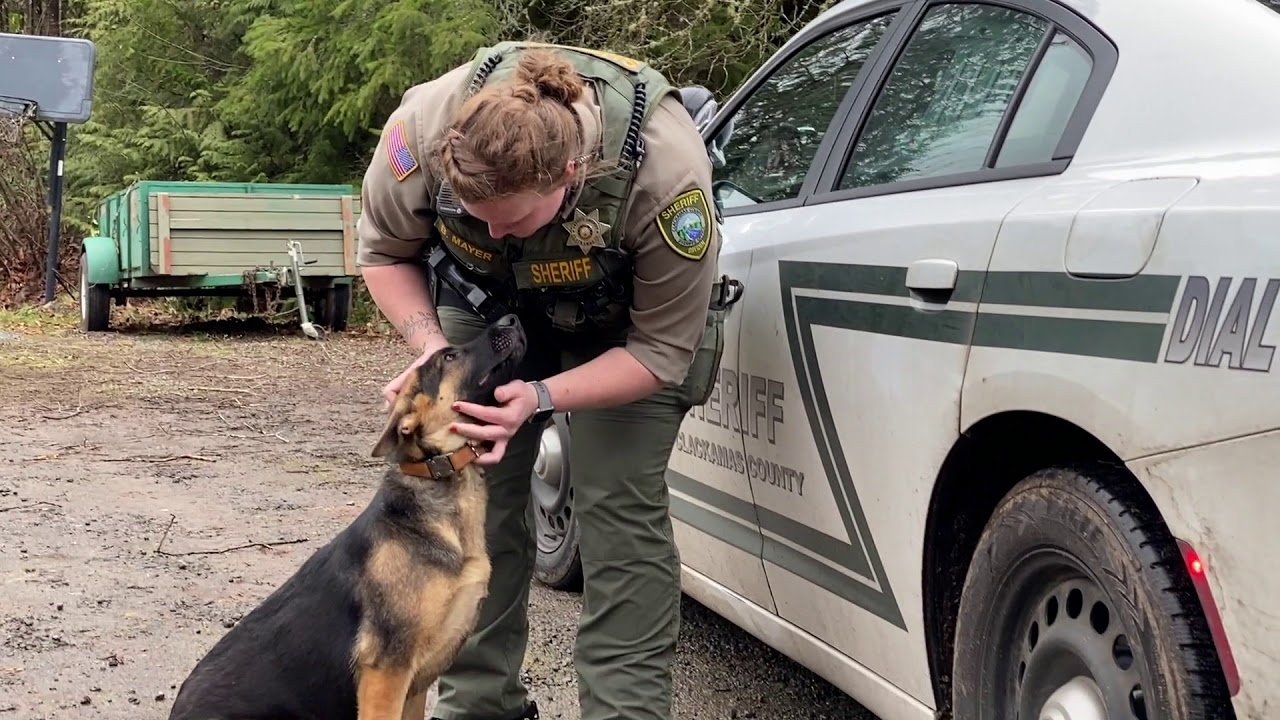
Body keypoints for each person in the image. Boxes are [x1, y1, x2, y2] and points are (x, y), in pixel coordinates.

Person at [354, 40, 739, 720]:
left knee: (619, 514)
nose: (498, 230)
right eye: (479, 217)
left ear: (572, 171)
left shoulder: (665, 175)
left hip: (623, 332)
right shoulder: (420, 129)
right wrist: (435, 352)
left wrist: (539, 397)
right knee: (473, 503)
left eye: (518, 217)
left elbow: (659, 353)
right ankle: (479, 706)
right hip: (485, 308)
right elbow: (385, 252)